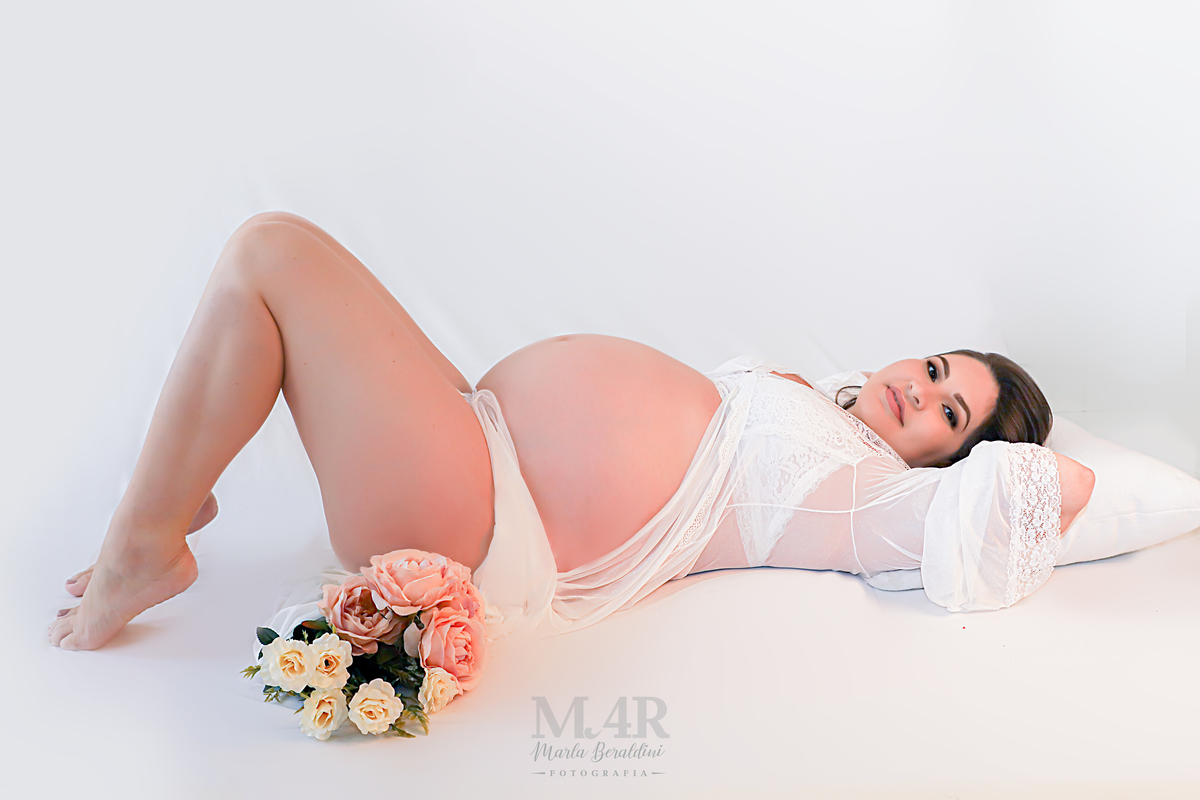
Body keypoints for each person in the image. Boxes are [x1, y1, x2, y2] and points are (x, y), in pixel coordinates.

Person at [48, 212, 1095, 651]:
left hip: (483, 516)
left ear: (950, 459)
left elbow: (1047, 492)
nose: (922, 390)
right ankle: (177, 488)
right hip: (473, 433)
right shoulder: (824, 403)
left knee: (271, 252)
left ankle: (146, 545)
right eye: (936, 368)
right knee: (273, 276)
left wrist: (1025, 450)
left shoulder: (862, 497)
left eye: (951, 414)